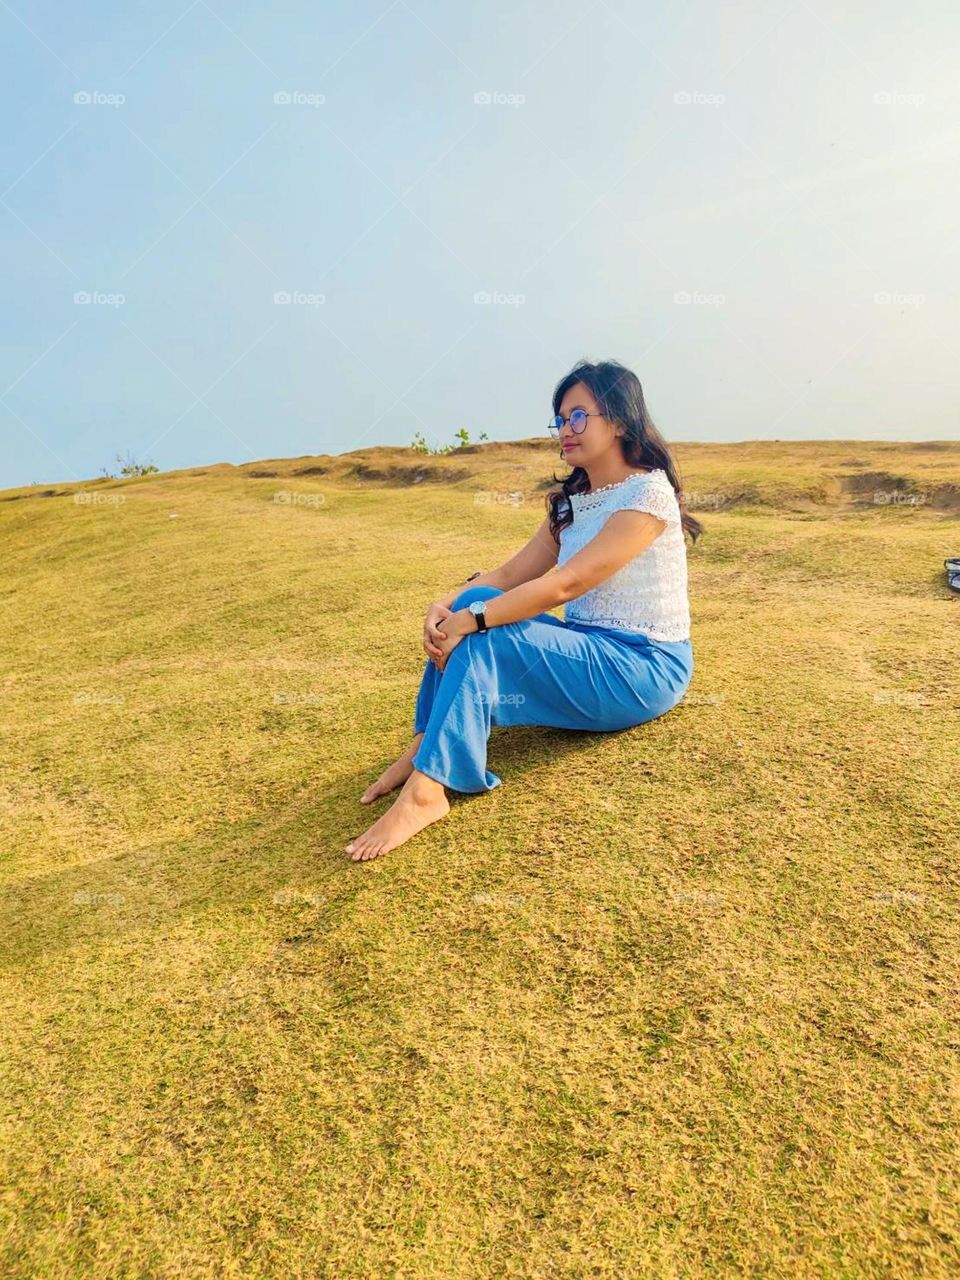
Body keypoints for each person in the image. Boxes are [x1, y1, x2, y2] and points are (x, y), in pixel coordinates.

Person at [345, 358, 703, 861]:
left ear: (620, 421)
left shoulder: (648, 493)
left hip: (643, 667)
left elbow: (567, 583)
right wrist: (447, 604)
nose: (566, 430)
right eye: (560, 419)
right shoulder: (570, 503)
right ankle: (427, 742)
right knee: (475, 601)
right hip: (589, 652)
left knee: (489, 624)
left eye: (579, 416)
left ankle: (427, 793)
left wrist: (474, 621)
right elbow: (510, 576)